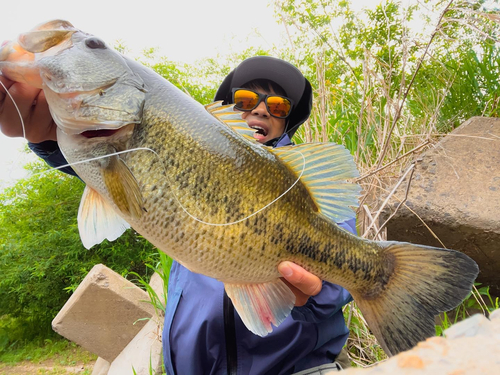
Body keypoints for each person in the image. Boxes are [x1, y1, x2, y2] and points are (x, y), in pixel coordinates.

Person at [0, 56, 356, 374]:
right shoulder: (175, 149)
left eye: (277, 106)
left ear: (286, 121)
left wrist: (317, 292)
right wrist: (49, 135)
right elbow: (113, 170)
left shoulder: (301, 186)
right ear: (227, 107)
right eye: (246, 100)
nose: (261, 110)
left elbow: (343, 269)